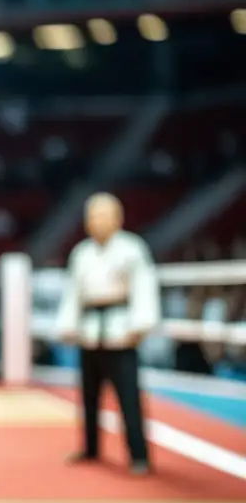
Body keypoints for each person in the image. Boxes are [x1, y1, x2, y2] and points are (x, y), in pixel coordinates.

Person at [55, 192, 161, 475]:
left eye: (102, 215)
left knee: (128, 396)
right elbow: (73, 293)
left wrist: (141, 326)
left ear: (118, 218)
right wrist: (68, 325)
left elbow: (144, 288)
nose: (96, 221)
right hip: (90, 331)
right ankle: (91, 447)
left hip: (121, 329)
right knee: (89, 396)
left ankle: (138, 455)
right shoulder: (82, 252)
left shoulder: (132, 249)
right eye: (92, 215)